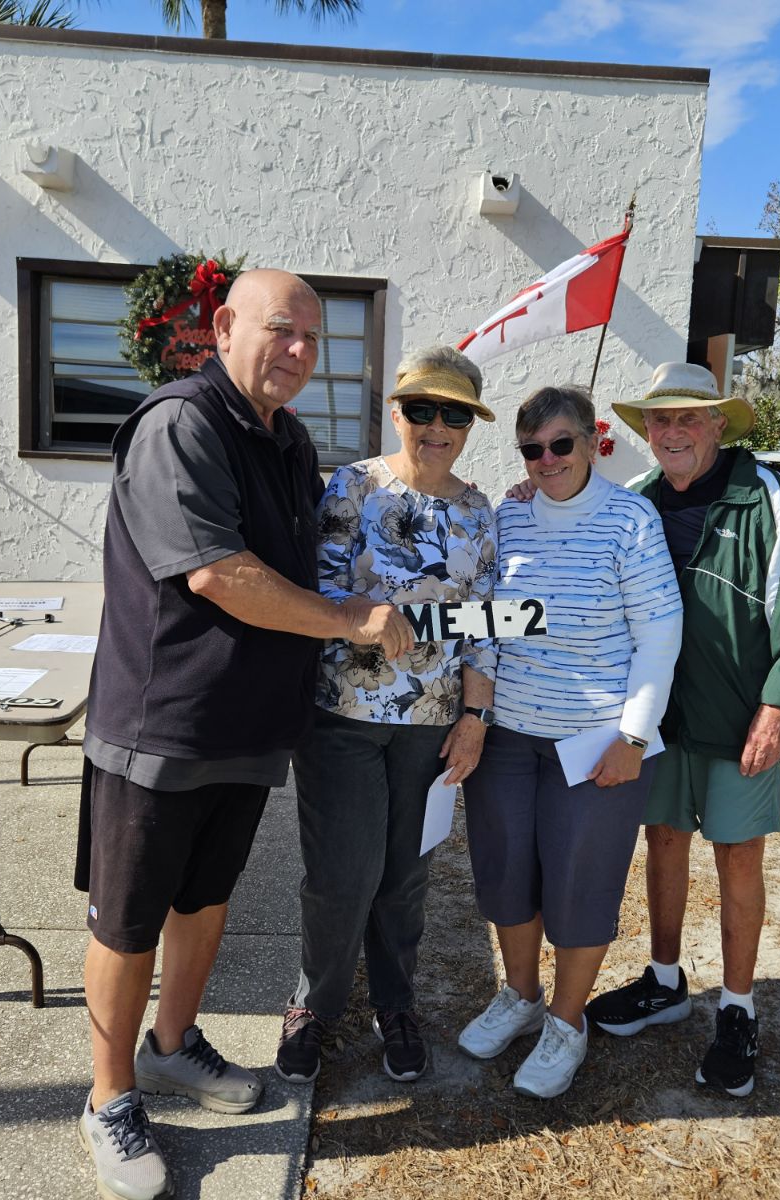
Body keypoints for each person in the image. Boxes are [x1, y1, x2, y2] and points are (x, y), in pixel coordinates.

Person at [74, 268, 413, 1200]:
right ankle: (109, 1099)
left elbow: (305, 559)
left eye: (313, 338)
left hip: (248, 723)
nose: (299, 351)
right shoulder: (181, 424)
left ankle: (172, 1046)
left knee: (205, 900)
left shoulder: (288, 439)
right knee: (129, 919)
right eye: (280, 330)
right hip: (163, 723)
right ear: (223, 326)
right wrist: (350, 620)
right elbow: (218, 573)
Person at [583, 361, 780, 1099]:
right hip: (659, 721)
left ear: (719, 424)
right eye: (660, 419)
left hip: (738, 717)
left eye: (688, 417)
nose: (672, 431)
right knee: (663, 841)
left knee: (738, 855)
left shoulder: (765, 497)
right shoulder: (635, 501)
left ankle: (737, 1008)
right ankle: (664, 981)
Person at [275, 346, 498, 1086]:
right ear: (397, 413)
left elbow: (485, 626)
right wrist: (361, 615)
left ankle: (395, 1004)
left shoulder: (478, 512)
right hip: (342, 714)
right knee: (343, 874)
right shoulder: (352, 486)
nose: (437, 427)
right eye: (423, 410)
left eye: (454, 415)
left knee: (405, 875)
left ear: (469, 426)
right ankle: (315, 1004)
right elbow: (315, 588)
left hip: (432, 722)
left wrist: (475, 717)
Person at [459, 384, 683, 1100]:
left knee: (581, 885)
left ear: (592, 442)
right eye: (532, 449)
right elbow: (489, 621)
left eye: (561, 444)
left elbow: (659, 635)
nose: (547, 460)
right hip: (509, 738)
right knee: (507, 876)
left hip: (595, 743)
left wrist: (633, 735)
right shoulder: (509, 517)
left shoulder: (630, 519)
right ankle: (521, 996)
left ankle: (565, 1022)